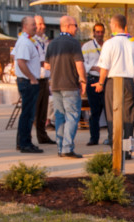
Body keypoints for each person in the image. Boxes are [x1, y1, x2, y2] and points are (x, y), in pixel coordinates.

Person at [94, 14, 134, 160]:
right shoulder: (133, 43)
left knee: (112, 116)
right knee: (128, 117)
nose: (110, 26)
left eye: (110, 23)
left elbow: (104, 68)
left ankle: (115, 149)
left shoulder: (109, 44)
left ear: (115, 25)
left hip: (113, 82)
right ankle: (127, 150)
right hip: (129, 81)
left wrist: (100, 83)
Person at [46, 15, 85, 159]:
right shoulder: (73, 43)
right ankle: (67, 148)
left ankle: (60, 146)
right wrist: (83, 81)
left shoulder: (52, 44)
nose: (77, 28)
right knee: (72, 116)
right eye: (75, 25)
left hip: (55, 85)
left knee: (60, 117)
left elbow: (47, 65)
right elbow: (79, 65)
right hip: (70, 85)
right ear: (68, 26)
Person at [11, 16, 43, 154]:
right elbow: (20, 61)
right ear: (25, 26)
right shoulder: (24, 42)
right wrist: (32, 78)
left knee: (27, 113)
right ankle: (25, 143)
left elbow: (14, 56)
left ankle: (22, 141)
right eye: (32, 25)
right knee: (28, 114)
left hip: (26, 80)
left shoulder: (26, 40)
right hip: (28, 81)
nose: (35, 27)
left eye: (35, 25)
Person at [82, 23, 105, 146]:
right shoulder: (87, 46)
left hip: (106, 80)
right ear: (93, 33)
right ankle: (94, 138)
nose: (100, 34)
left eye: (101, 32)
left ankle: (112, 137)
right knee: (94, 111)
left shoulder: (107, 45)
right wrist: (93, 67)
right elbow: (82, 63)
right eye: (97, 32)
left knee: (109, 110)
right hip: (92, 79)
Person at [33, 16, 54, 145]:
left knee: (43, 111)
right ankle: (25, 139)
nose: (43, 26)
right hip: (35, 79)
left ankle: (42, 136)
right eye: (40, 24)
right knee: (34, 111)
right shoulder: (31, 41)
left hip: (45, 79)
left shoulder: (45, 42)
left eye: (44, 23)